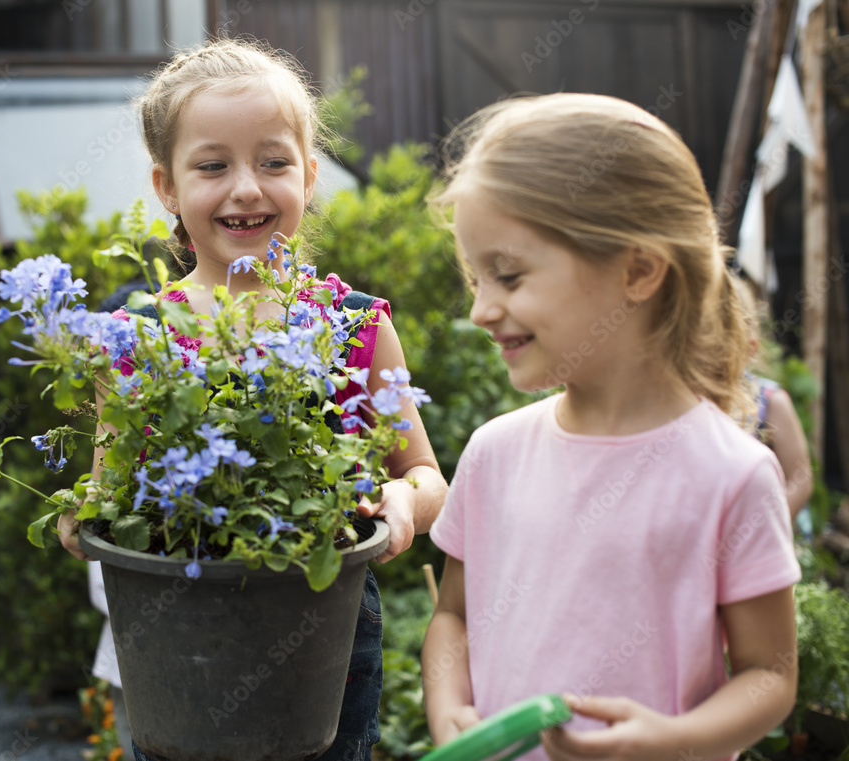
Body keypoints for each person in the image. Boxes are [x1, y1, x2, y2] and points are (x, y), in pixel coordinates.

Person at [57, 38, 448, 761]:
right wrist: (82, 513)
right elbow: (109, 489)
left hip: (323, 648)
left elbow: (428, 477)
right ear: (166, 186)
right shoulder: (137, 337)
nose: (246, 187)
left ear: (309, 175)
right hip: (180, 648)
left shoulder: (355, 325)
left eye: (274, 162)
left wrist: (403, 501)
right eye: (212, 165)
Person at [421, 93, 800, 761]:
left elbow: (769, 674)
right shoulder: (495, 454)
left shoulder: (730, 473)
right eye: (476, 278)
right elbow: (453, 616)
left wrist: (675, 739)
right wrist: (449, 704)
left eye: (507, 275)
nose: (481, 309)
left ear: (638, 269)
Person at [734, 276, 813, 525]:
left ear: (751, 346)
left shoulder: (770, 402)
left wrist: (766, 526)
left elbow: (800, 479)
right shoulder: (687, 401)